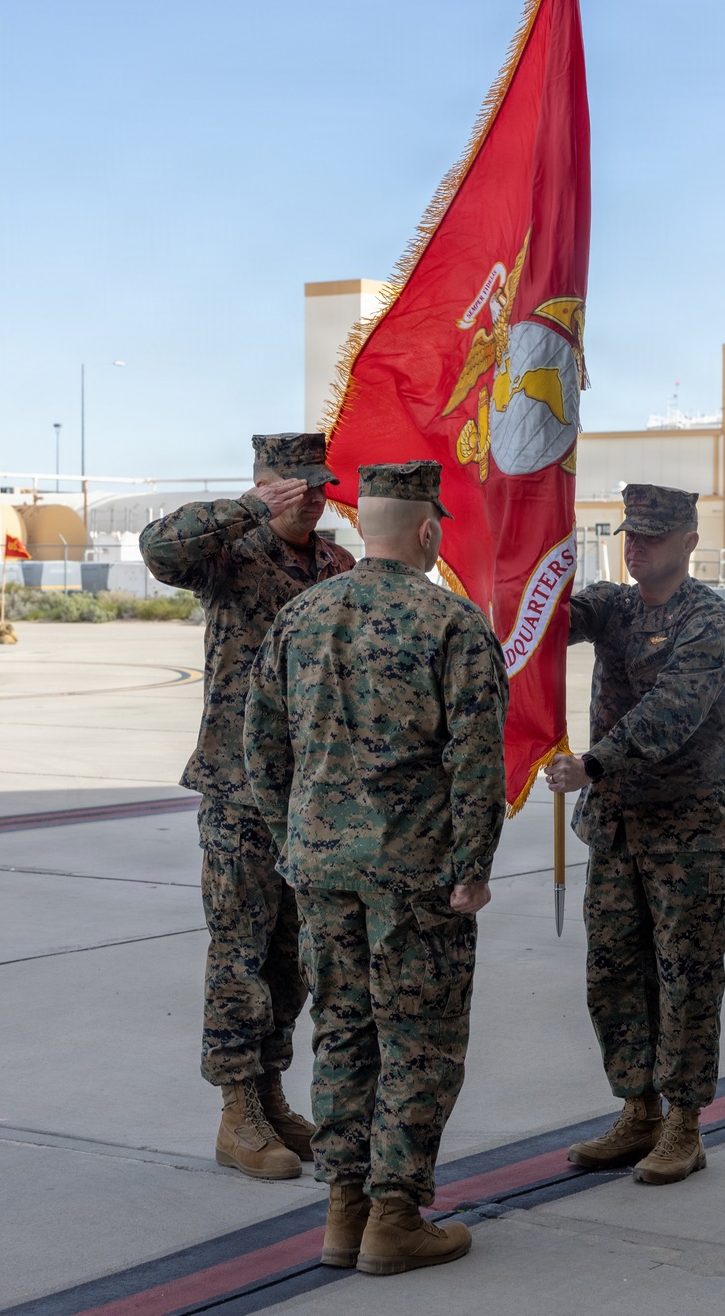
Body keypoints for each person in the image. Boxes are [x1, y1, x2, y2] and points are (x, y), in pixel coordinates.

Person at [245, 461, 508, 1275]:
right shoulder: (452, 623)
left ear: (368, 529)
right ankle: (394, 1216)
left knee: (344, 1030)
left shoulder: (300, 617)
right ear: (429, 531)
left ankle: (342, 1208)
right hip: (417, 876)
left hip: (322, 871)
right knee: (419, 1038)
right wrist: (473, 864)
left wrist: (299, 840)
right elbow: (475, 760)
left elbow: (261, 746)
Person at [139, 433, 355, 1180]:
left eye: (319, 484)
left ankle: (270, 1090)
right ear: (266, 484)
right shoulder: (229, 552)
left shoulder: (337, 567)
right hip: (239, 789)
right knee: (239, 950)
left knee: (293, 955)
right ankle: (236, 1111)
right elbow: (158, 549)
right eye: (294, 485)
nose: (312, 496)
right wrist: (246, 509)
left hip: (313, 794)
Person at [546, 483, 725, 1186]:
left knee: (686, 976)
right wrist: (530, 571)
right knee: (614, 971)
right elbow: (551, 622)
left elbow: (672, 712)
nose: (637, 547)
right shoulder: (615, 605)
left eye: (653, 537)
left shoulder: (708, 622)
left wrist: (592, 762)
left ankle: (683, 1124)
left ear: (690, 542)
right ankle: (637, 1109)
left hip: (688, 832)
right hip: (618, 828)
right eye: (631, 535)